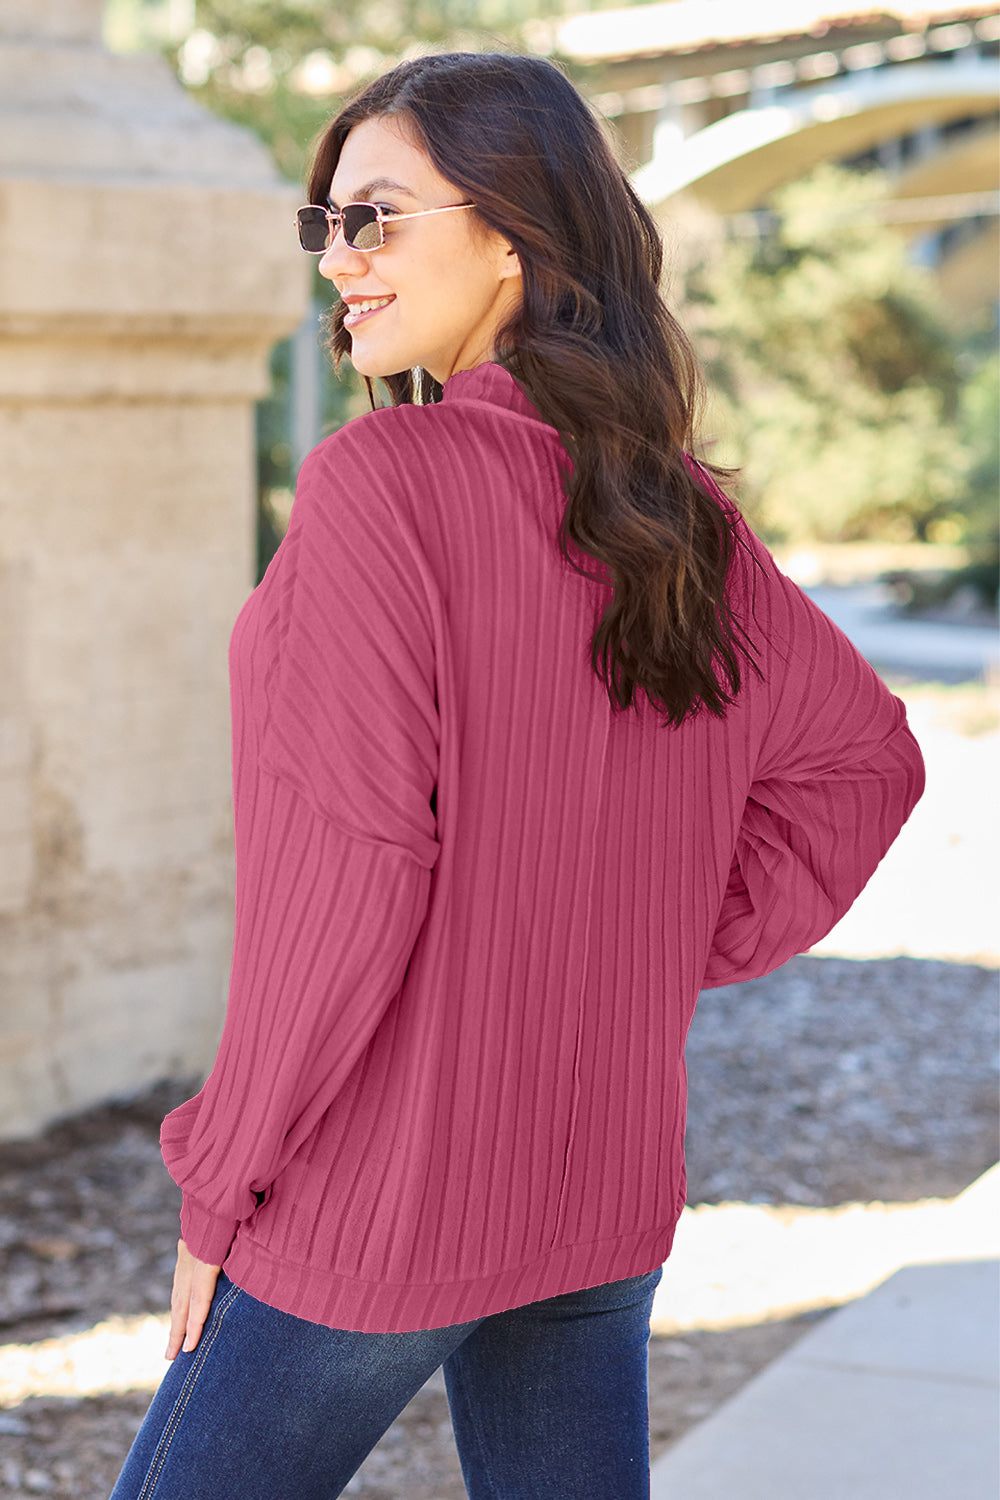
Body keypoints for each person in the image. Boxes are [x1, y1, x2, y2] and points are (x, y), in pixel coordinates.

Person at [110, 50, 924, 1500]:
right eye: (328, 224)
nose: (338, 257)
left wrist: (221, 1177)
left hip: (388, 1200)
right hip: (596, 1185)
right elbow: (864, 765)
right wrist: (645, 938)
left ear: (509, 234)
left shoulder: (383, 490)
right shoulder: (680, 520)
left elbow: (347, 877)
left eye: (376, 216)